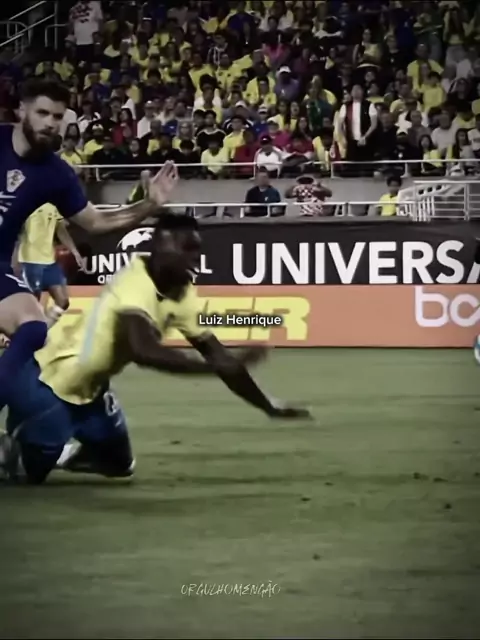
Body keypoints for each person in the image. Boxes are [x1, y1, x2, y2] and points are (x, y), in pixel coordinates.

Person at [0, 213, 310, 484]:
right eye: (188, 250)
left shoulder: (181, 292)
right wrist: (215, 367)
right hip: (47, 385)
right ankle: (13, 447)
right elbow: (144, 351)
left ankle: (59, 451)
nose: (196, 259)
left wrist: (267, 405)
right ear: (163, 246)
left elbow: (219, 356)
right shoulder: (132, 286)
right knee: (26, 476)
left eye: (198, 250)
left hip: (90, 390)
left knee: (119, 465)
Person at [0, 79, 178, 413]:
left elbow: (95, 222)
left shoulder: (55, 174)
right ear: (21, 110)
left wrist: (150, 205)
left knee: (33, 329)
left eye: (57, 116)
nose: (50, 123)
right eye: (42, 113)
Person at [14, 203, 84, 327]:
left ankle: (42, 330)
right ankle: (19, 332)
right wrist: (15, 261)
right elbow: (16, 233)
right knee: (31, 305)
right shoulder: (27, 201)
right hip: (30, 261)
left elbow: (61, 231)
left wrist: (75, 252)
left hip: (50, 262)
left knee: (63, 301)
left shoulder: (54, 204)